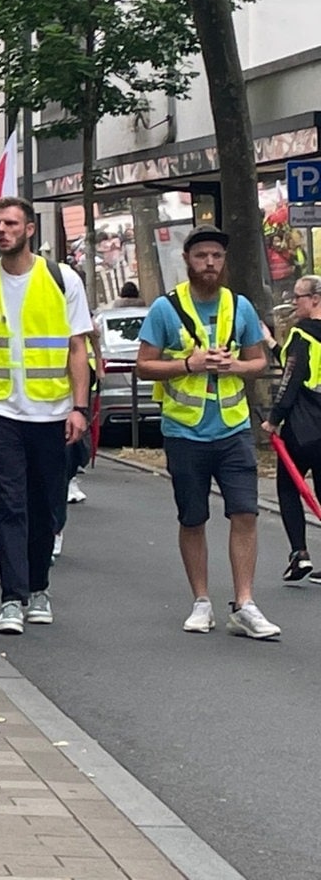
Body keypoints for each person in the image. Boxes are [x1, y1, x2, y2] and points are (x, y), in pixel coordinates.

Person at [0, 198, 92, 636]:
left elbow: (77, 348)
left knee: (45, 506)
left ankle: (38, 588)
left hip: (51, 413)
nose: (1, 231)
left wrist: (79, 406)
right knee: (9, 505)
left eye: (10, 223)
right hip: (0, 413)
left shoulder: (61, 279)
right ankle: (12, 597)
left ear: (29, 229)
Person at [135, 225, 277, 638]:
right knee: (193, 517)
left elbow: (258, 362)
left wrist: (234, 366)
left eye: (216, 256)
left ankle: (245, 603)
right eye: (202, 257)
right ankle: (201, 601)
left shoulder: (240, 307)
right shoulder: (166, 308)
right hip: (184, 431)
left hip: (232, 429)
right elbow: (143, 365)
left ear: (224, 261)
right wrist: (189, 365)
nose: (210, 263)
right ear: (188, 261)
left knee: (245, 512)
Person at [263, 275, 321, 583]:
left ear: (314, 299)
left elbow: (291, 379)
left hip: (303, 426)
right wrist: (272, 343)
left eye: (297, 296)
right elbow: (290, 361)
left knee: (288, 488)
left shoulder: (303, 334)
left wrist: (274, 418)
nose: (293, 302)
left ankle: (299, 554)